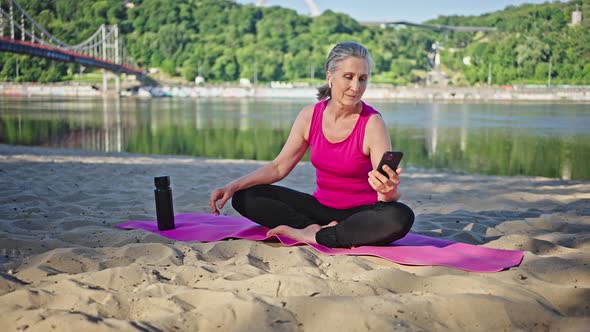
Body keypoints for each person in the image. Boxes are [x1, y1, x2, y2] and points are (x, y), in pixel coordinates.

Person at [209, 41, 414, 248]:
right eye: (348, 77)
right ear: (329, 76)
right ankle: (310, 229)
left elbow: (386, 194)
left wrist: (389, 191)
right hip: (319, 209)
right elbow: (278, 167)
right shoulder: (310, 116)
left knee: (400, 216)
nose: (356, 87)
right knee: (246, 196)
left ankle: (315, 236)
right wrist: (232, 186)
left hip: (360, 214)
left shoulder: (372, 123)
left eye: (362, 79)